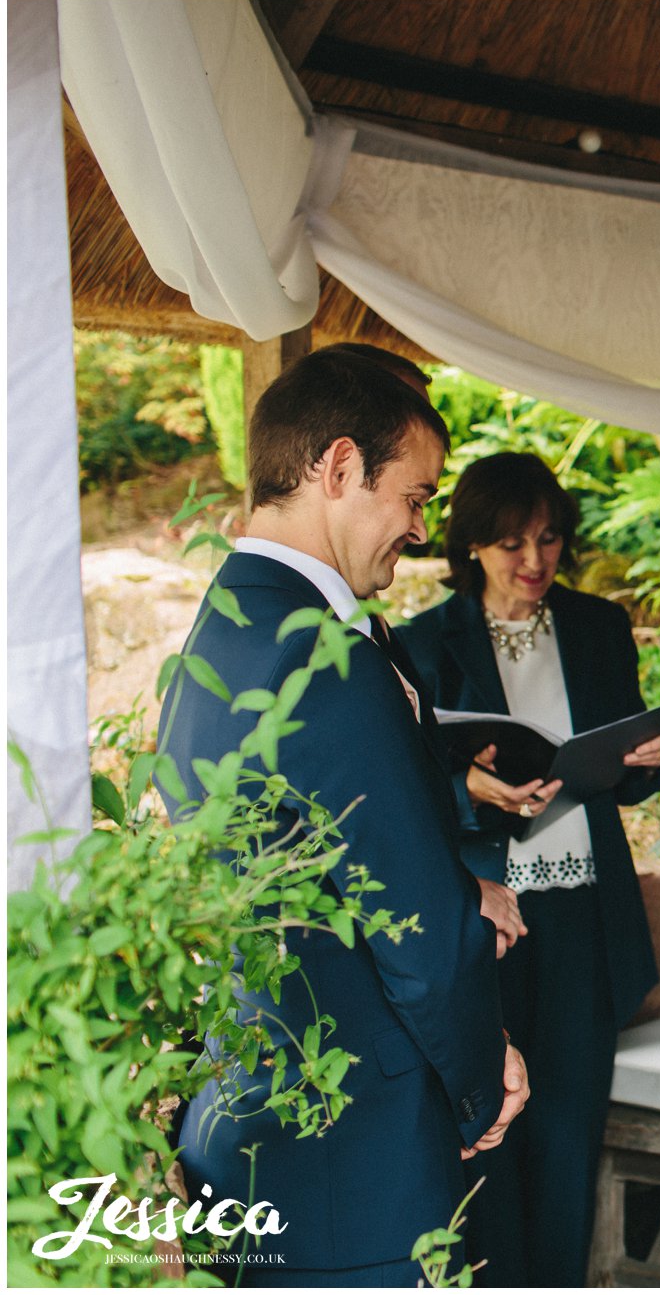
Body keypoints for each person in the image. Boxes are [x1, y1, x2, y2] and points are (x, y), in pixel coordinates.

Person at [159, 350, 527, 1285]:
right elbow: (413, 926)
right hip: (353, 1156)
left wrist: (458, 882)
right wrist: (484, 1081)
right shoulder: (325, 657)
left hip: (255, 1128)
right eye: (413, 494)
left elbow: (314, 854)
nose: (418, 525)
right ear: (336, 468)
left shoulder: (223, 625)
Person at [397, 452, 660, 1285]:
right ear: (472, 545)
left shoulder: (598, 627)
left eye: (549, 538)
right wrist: (466, 783)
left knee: (569, 1131)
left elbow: (629, 774)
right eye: (512, 540)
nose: (534, 559)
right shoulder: (421, 643)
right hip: (486, 922)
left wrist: (648, 756)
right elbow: (405, 789)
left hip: (585, 914)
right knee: (489, 1134)